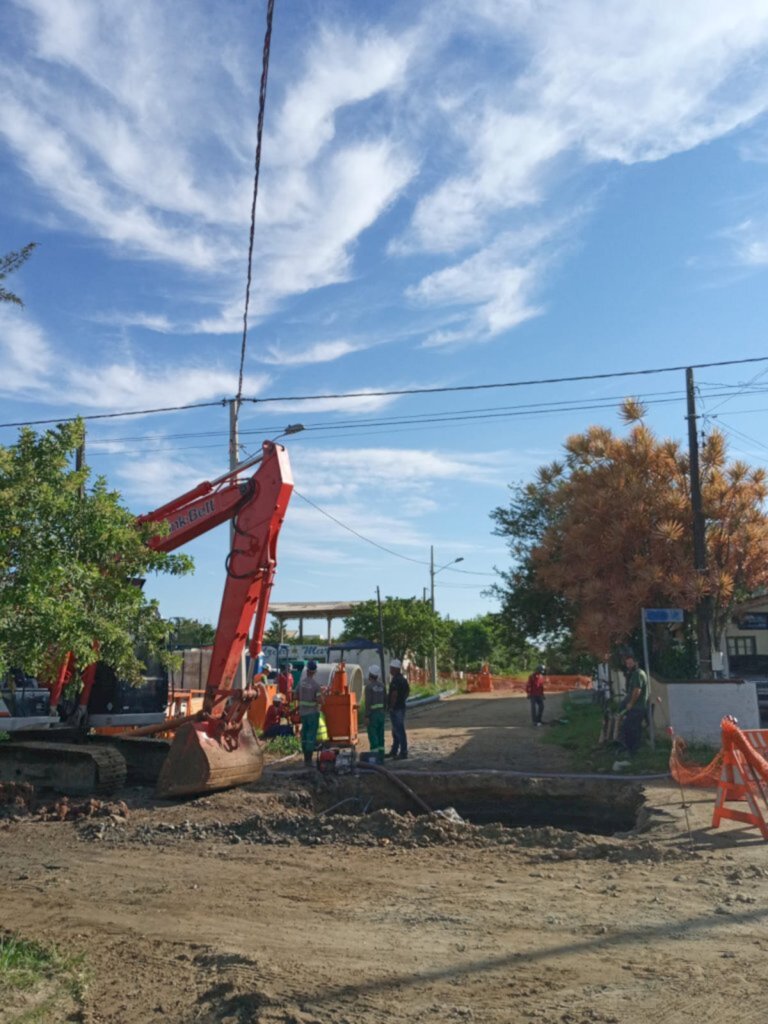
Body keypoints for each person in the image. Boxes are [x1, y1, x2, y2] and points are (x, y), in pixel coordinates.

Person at [619, 652, 648, 757]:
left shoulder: (637, 674)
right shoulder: (638, 673)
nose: (629, 665)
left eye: (630, 663)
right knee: (633, 728)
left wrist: (631, 703)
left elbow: (637, 690)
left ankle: (632, 752)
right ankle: (633, 750)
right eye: (627, 664)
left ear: (636, 662)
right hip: (638, 707)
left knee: (629, 728)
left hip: (637, 707)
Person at [298, 660, 323, 766]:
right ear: (315, 672)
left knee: (304, 734)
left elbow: (295, 696)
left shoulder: (300, 683)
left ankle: (305, 758)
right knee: (311, 736)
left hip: (303, 713)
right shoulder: (316, 685)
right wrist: (323, 697)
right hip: (312, 714)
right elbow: (319, 700)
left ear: (307, 670)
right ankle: (308, 760)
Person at [386, 659, 410, 760]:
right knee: (396, 730)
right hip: (401, 707)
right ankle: (394, 750)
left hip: (396, 709)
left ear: (395, 669)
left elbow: (394, 695)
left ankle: (403, 752)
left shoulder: (395, 680)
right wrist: (402, 700)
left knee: (399, 731)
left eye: (391, 668)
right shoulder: (403, 680)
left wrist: (391, 706)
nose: (390, 670)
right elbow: (407, 692)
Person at [364, 664, 386, 761]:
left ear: (370, 675)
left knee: (373, 735)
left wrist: (366, 716)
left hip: (373, 715)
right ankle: (381, 756)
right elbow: (386, 699)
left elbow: (368, 703)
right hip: (381, 714)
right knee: (380, 734)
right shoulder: (382, 686)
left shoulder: (369, 687)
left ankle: (375, 757)